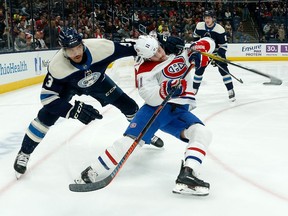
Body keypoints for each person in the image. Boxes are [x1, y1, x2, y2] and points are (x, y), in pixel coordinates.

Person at [13, 28, 184, 179]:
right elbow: (47, 98)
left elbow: (137, 47)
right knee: (46, 116)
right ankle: (24, 152)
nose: (76, 53)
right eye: (71, 50)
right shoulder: (57, 66)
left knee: (130, 107)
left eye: (78, 47)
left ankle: (144, 132)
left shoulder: (102, 47)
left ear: (83, 43)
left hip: (98, 82)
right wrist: (72, 111)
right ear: (63, 51)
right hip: (68, 87)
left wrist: (161, 44)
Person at [74, 36, 214, 196]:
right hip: (156, 111)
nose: (160, 54)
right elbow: (150, 96)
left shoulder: (180, 51)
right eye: (154, 54)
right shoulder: (144, 70)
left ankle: (187, 174)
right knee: (130, 142)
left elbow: (210, 43)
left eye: (159, 49)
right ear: (146, 57)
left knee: (203, 133)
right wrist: (165, 88)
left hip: (179, 111)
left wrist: (198, 50)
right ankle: (91, 171)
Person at [193, 10, 235, 101]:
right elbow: (195, 37)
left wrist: (218, 55)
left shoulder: (219, 29)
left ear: (213, 19)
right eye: (205, 18)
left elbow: (224, 45)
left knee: (223, 70)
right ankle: (194, 90)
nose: (207, 20)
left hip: (216, 52)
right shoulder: (200, 26)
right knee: (199, 69)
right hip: (205, 51)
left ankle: (230, 90)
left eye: (209, 18)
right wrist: (199, 48)